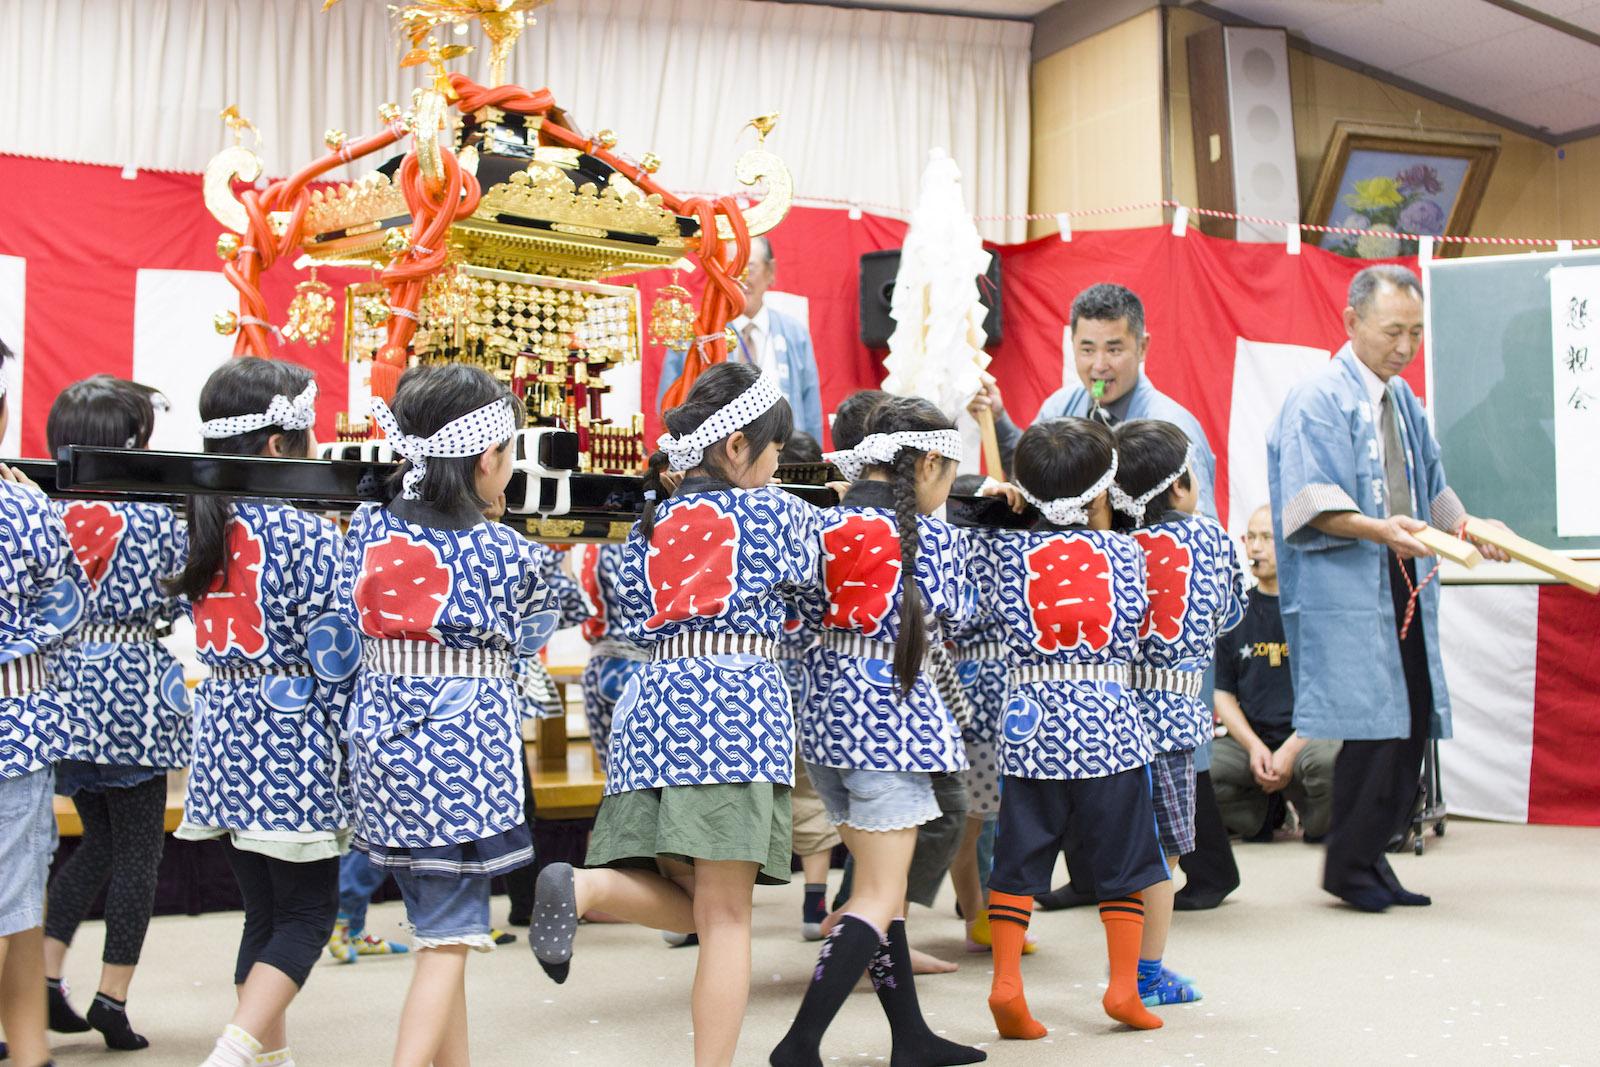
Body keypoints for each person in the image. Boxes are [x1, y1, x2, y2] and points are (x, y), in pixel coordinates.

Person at [532, 363, 819, 1067]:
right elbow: (816, 598)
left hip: (654, 711)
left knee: (695, 901)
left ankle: (587, 883)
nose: (780, 464)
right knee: (727, 918)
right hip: (733, 715)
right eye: (776, 450)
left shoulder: (655, 522)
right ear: (736, 448)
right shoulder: (780, 512)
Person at [1267, 265, 1509, 913]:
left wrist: (1462, 523)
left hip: (1401, 575)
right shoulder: (1316, 398)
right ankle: (1348, 864)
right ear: (1350, 322)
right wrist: (1381, 528)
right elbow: (1310, 502)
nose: (1405, 347)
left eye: (1416, 332)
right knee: (1373, 729)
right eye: (1392, 330)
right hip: (1348, 585)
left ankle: (1372, 856)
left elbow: (1432, 480)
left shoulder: (1403, 399)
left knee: (1411, 722)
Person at [339, 364, 551, 1067]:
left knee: (439, 931)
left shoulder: (367, 529)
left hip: (381, 753)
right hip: (461, 766)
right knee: (453, 939)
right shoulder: (508, 553)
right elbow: (533, 633)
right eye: (511, 453)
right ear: (487, 458)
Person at [772, 398, 985, 1067]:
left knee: (877, 887)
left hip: (828, 723)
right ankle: (799, 1043)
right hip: (890, 727)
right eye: (947, 474)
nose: (948, 489)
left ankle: (910, 1036)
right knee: (878, 895)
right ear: (925, 464)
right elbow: (965, 614)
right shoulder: (931, 540)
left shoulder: (824, 526)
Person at [169, 358, 357, 1067]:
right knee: (307, 915)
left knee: (266, 912)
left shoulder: (199, 521)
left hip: (221, 730)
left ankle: (265, 1058)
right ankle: (232, 1051)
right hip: (291, 738)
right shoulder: (303, 533)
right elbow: (334, 655)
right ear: (279, 446)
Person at [974, 417, 1169, 1038]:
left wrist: (1003, 508)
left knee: (1017, 859)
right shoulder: (1128, 555)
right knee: (1125, 862)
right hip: (1110, 725)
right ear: (1099, 493)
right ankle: (1121, 989)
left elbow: (967, 537)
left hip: (1029, 728)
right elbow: (1138, 631)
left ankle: (1006, 983)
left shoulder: (1003, 551)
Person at [41, 377, 187, 1052]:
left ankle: (42, 975)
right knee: (138, 854)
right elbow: (186, 599)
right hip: (133, 689)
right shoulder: (160, 516)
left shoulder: (42, 512)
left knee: (93, 841)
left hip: (63, 685)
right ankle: (112, 996)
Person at [1110, 420, 1245, 1009]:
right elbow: (1232, 611)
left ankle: (1122, 963)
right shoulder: (1212, 540)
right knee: (1162, 852)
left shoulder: (1110, 544)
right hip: (1174, 714)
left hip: (1109, 712)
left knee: (1121, 846)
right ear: (1183, 485)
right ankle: (1145, 972)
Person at [0, 334, 92, 1067]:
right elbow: (64, 605)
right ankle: (28, 1049)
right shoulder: (23, 508)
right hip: (14, 728)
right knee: (16, 899)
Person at [972, 282, 1217, 519]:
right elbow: (1034, 476)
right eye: (1087, 350)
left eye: (1114, 350)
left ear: (1142, 347)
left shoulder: (1173, 426)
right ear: (1073, 346)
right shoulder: (1060, 407)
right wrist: (997, 420)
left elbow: (1202, 524)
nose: (1099, 366)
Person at [1211, 505, 1340, 841]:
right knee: (1203, 769)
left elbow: (1332, 695)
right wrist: (1255, 747)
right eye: (1250, 537)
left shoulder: (1314, 612)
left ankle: (1316, 820)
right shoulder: (1233, 613)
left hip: (1308, 739)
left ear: (1289, 544)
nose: (1254, 547)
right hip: (1253, 742)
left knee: (1331, 765)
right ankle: (1266, 813)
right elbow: (1221, 693)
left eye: (1266, 538)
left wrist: (1290, 751)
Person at [942, 475, 1024, 958]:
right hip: (975, 696)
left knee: (985, 818)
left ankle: (984, 915)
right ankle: (978, 915)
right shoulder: (952, 544)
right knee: (973, 819)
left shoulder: (1007, 541)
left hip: (1002, 694)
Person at [658, 237, 824, 443]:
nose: (740, 279)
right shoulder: (697, 332)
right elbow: (668, 405)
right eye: (731, 269)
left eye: (749, 268)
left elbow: (811, 411)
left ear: (770, 271)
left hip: (783, 459)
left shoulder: (794, 334)